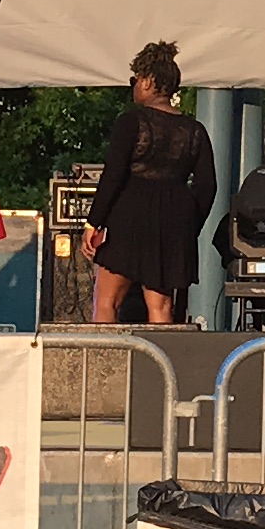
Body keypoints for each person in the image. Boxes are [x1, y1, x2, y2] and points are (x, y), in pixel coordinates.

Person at [84, 40, 216, 325]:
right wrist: (188, 225)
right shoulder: (195, 131)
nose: (133, 86)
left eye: (135, 79)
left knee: (108, 301)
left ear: (148, 82)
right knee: (161, 307)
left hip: (129, 216)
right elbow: (207, 187)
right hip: (173, 221)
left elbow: (114, 175)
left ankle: (104, 367)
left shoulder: (131, 121)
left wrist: (94, 222)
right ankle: (163, 368)